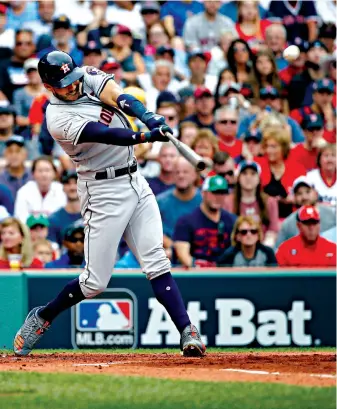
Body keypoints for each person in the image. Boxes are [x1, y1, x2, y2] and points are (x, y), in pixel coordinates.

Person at [13, 50, 205, 357]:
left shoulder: (85, 76)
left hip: (134, 180)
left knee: (156, 259)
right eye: (64, 84)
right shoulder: (57, 117)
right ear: (49, 87)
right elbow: (104, 134)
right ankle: (44, 316)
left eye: (73, 79)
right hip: (102, 191)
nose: (73, 86)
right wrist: (144, 136)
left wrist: (148, 115)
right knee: (94, 282)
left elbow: (120, 97)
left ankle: (188, 331)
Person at [173, 175, 236, 268]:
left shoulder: (232, 220)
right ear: (203, 193)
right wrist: (199, 268)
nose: (218, 197)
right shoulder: (186, 221)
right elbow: (183, 255)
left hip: (225, 274)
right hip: (196, 275)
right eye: (214, 192)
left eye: (222, 193)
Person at [255, 126, 306, 219]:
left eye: (273, 147)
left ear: (283, 147)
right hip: (263, 218)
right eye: (267, 146)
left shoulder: (297, 169)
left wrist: (295, 199)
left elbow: (305, 196)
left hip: (291, 219)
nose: (269, 150)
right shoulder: (258, 164)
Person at [157, 156, 202, 259]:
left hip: (197, 256)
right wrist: (174, 248)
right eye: (177, 172)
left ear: (195, 175)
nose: (181, 176)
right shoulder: (160, 201)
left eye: (185, 172)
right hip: (166, 256)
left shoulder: (204, 201)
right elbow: (151, 231)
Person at [275, 176, 336, 248]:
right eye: (299, 193)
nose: (304, 197)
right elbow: (278, 250)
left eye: (308, 191)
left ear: (316, 193)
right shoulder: (288, 223)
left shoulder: (332, 214)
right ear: (294, 197)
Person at [229, 160, 279, 247]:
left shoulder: (270, 202)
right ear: (238, 178)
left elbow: (272, 231)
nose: (248, 177)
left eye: (253, 173)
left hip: (263, 249)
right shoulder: (229, 202)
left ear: (259, 179)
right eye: (244, 173)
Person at [14, 156, 66, 223]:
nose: (44, 174)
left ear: (54, 173)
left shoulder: (62, 190)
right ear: (33, 174)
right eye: (40, 171)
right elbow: (20, 219)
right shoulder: (23, 191)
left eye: (47, 170)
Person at [47, 170, 82, 247]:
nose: (72, 187)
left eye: (76, 182)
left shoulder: (94, 215)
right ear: (62, 187)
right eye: (67, 183)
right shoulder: (54, 219)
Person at [0, 136, 32, 201]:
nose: (14, 155)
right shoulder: (1, 179)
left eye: (18, 151)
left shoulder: (33, 176)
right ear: (5, 155)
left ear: (25, 154)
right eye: (10, 151)